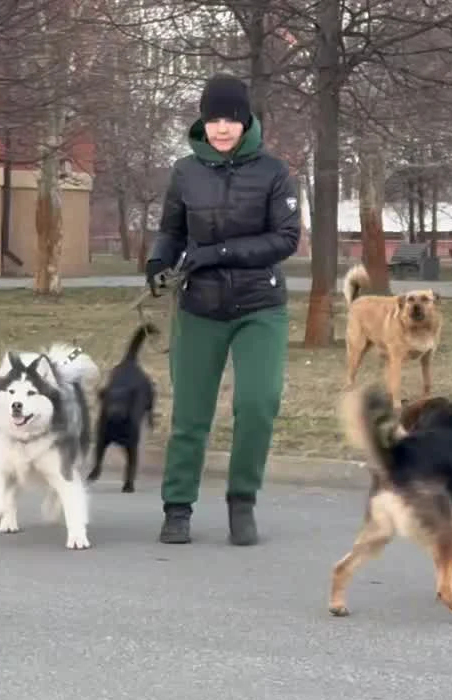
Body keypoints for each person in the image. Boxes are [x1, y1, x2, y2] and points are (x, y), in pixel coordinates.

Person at [145, 73, 302, 547]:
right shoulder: (185, 172)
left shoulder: (275, 173)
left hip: (259, 305)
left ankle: (242, 501)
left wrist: (221, 252)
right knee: (191, 415)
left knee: (258, 404)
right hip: (199, 305)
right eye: (213, 119)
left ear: (246, 120)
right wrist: (157, 260)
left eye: (230, 119)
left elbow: (286, 238)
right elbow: (171, 230)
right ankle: (177, 508)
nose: (221, 128)